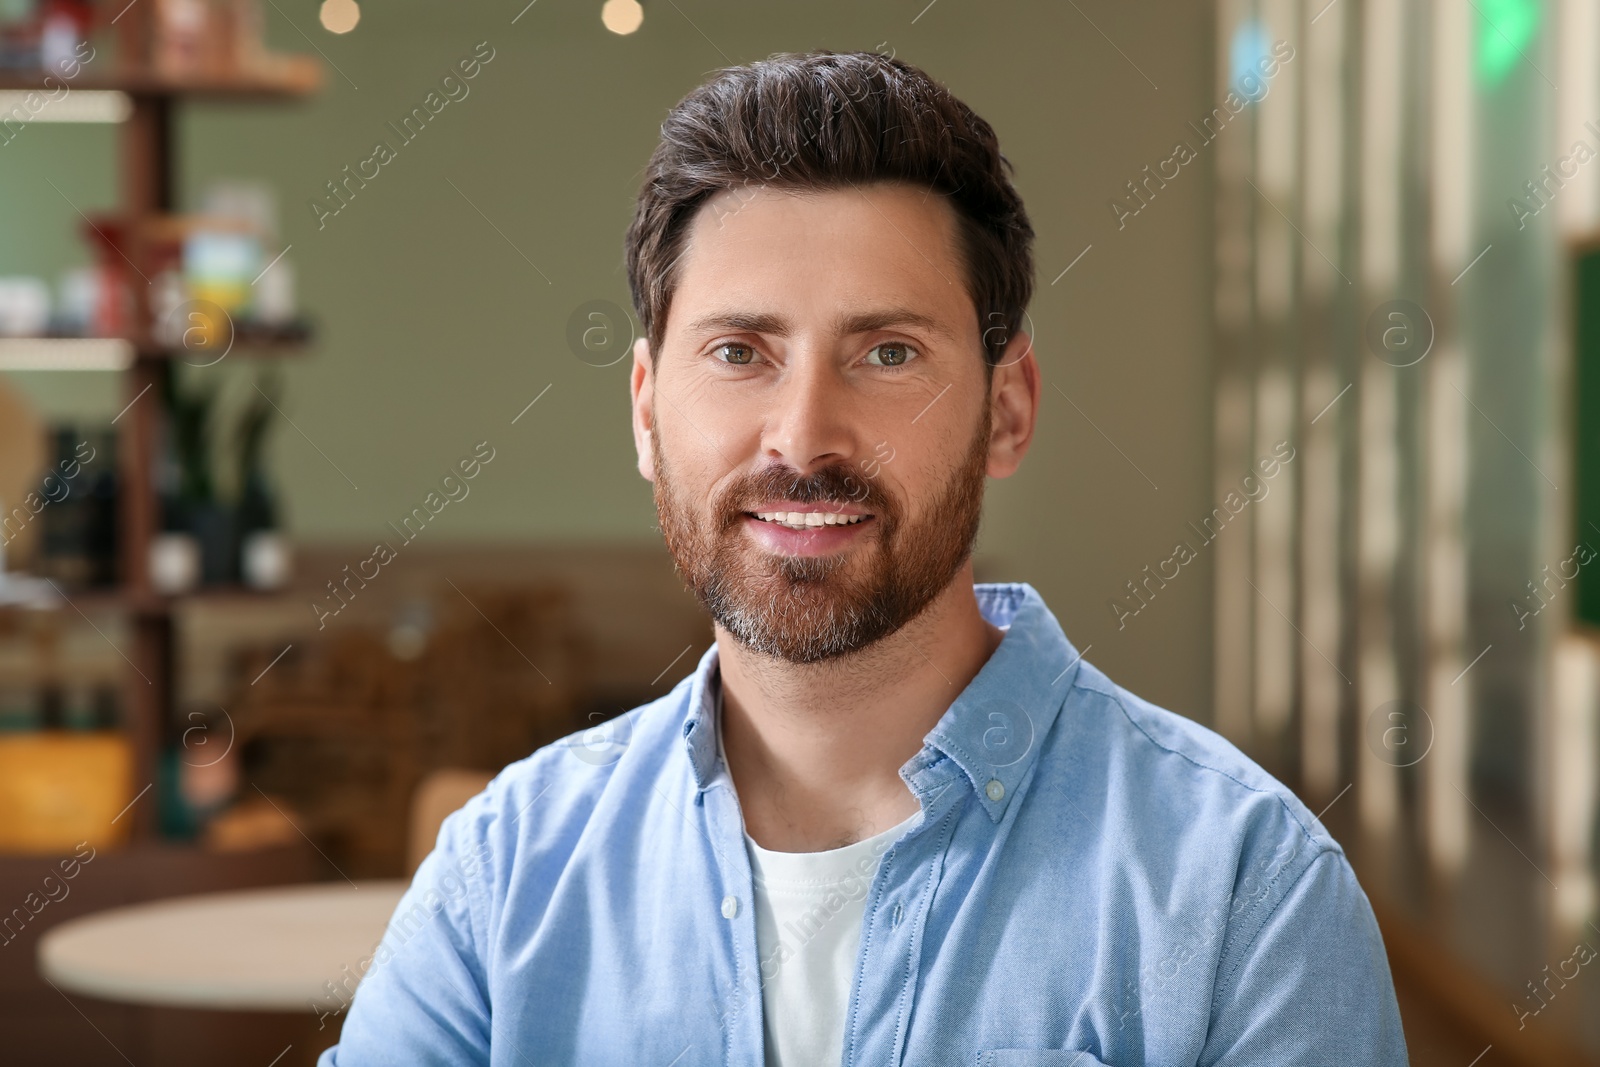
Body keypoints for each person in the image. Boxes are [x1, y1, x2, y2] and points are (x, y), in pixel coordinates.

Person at [320, 50, 1407, 1066]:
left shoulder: (1241, 889)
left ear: (1007, 409)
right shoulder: (503, 876)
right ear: (647, 411)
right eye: (739, 352)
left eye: (888, 353)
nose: (803, 436)